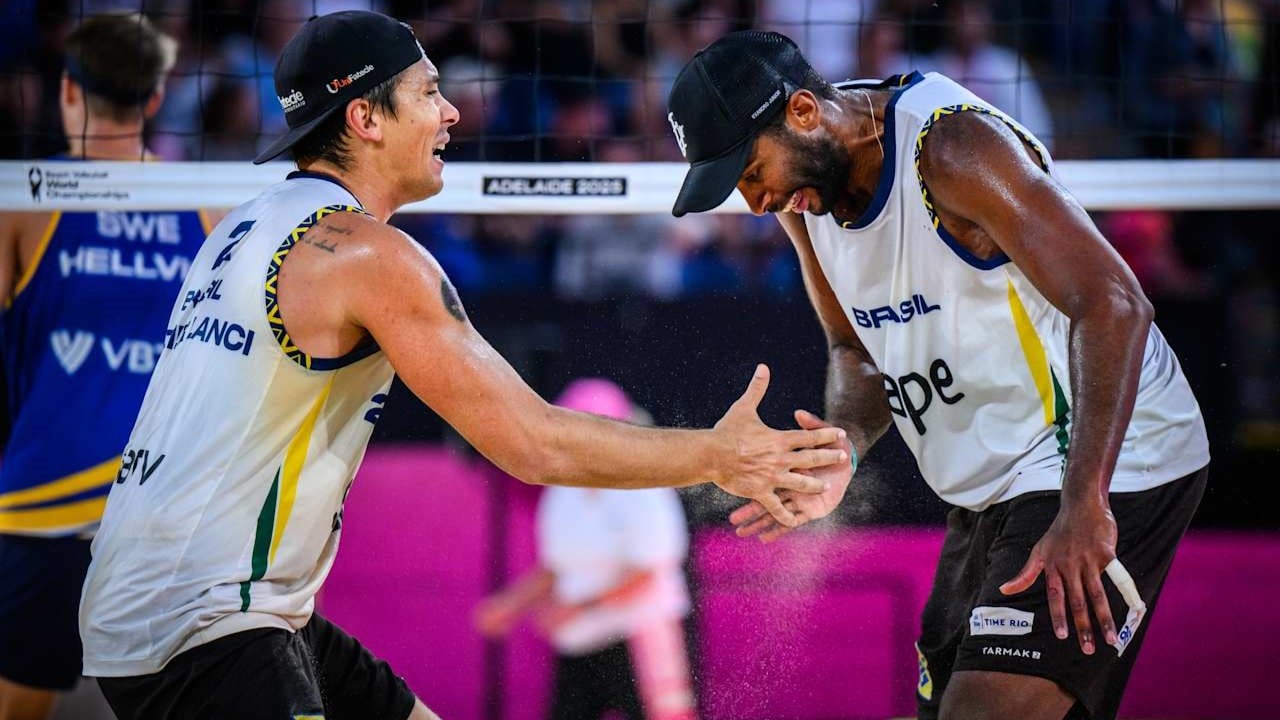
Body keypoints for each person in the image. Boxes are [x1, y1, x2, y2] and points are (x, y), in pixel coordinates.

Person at [76, 12, 848, 720]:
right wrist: (718, 455)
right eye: (430, 92)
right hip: (206, 622)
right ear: (364, 118)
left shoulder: (240, 225)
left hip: (199, 601)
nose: (451, 113)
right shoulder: (366, 255)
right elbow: (532, 442)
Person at [666, 31, 1210, 720]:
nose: (754, 202)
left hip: (1108, 459)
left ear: (803, 112)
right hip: (991, 485)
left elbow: (1113, 302)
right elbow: (854, 351)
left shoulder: (951, 151)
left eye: (748, 172)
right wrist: (845, 449)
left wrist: (1085, 500)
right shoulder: (807, 198)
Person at [0, 13, 209, 720]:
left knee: (18, 704)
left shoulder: (23, 199)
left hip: (42, 500)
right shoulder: (210, 204)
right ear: (154, 99)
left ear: (67, 91)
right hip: (164, 508)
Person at [475, 378, 698, 720]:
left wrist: (579, 606)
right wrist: (512, 604)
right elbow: (557, 568)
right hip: (579, 643)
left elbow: (648, 573)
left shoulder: (644, 485)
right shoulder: (562, 492)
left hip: (640, 636)